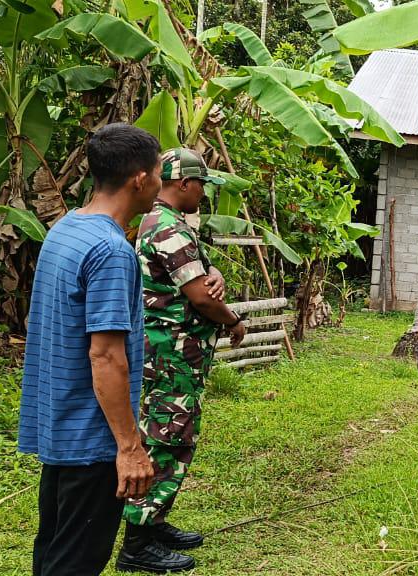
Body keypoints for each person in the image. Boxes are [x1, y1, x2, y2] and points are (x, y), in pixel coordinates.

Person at [18, 123, 162, 576]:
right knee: (76, 563)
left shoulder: (65, 231)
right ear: (140, 178)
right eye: (159, 173)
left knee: (55, 552)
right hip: (91, 438)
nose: (160, 182)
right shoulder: (110, 251)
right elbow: (105, 356)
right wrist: (129, 447)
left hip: (59, 426)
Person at [116, 148, 246, 573]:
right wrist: (233, 321)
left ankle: (154, 524)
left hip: (175, 354)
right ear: (184, 184)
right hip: (171, 354)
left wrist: (218, 278)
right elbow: (200, 297)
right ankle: (137, 541)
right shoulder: (167, 225)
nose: (203, 194)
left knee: (172, 435)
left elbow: (202, 277)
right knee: (168, 439)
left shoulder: (166, 224)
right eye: (201, 185)